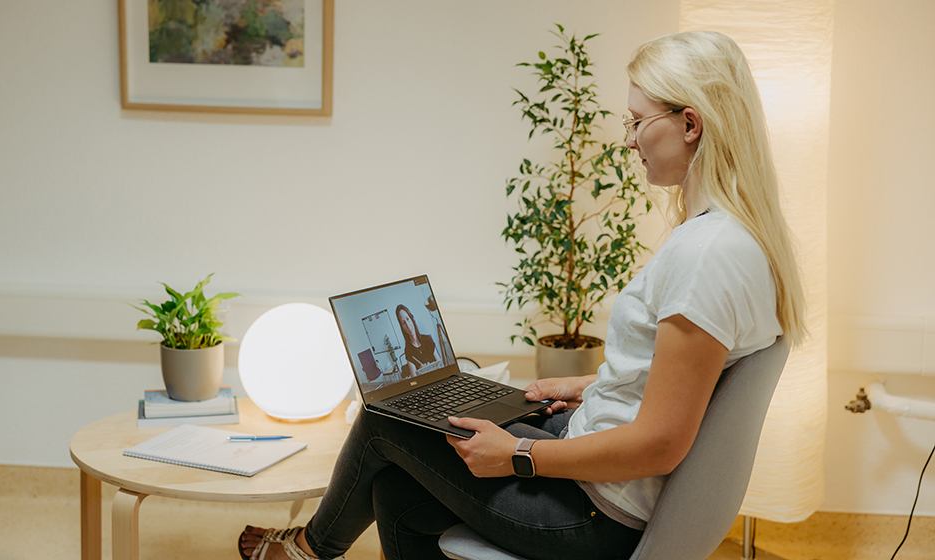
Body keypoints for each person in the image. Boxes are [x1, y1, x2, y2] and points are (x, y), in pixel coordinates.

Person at [238, 30, 805, 560]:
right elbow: (678, 383)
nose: (628, 139)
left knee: (389, 418)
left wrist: (519, 455)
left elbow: (659, 442)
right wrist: (588, 385)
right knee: (397, 488)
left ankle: (307, 550)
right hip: (604, 480)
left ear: (690, 124)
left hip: (596, 514)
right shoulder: (734, 240)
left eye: (637, 122)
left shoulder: (704, 256)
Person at [396, 304, 441, 377]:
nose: (408, 325)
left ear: (412, 319)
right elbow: (415, 379)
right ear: (402, 328)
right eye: (403, 323)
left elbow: (441, 365)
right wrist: (420, 372)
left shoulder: (428, 339)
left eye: (408, 319)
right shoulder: (408, 351)